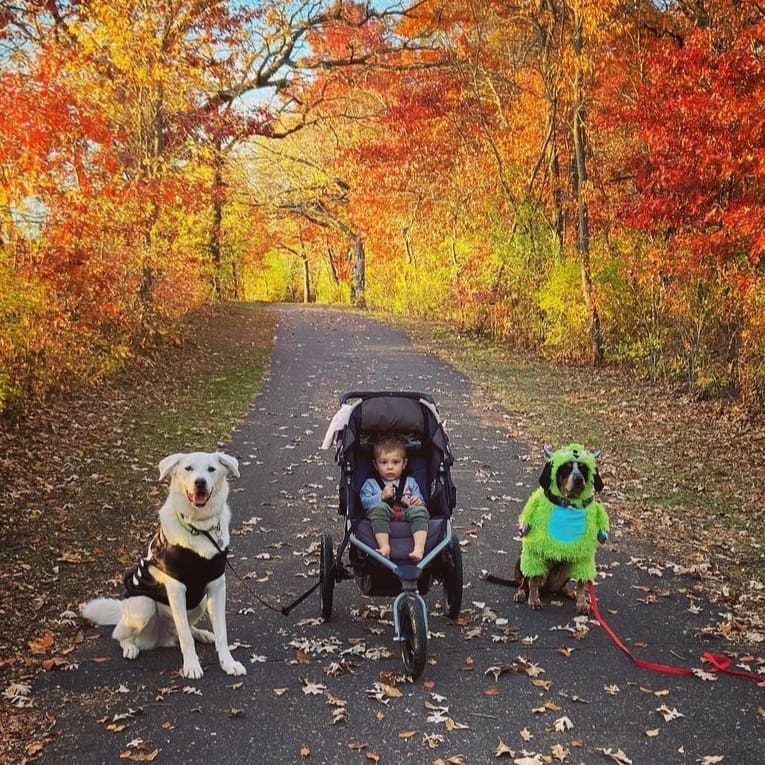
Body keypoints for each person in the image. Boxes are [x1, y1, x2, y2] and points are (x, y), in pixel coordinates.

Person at [360, 435, 429, 561]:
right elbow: (364, 503)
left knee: (420, 511)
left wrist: (416, 502)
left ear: (404, 464)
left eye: (395, 462)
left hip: (406, 514)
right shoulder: (371, 483)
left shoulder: (410, 482)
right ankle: (385, 547)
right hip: (382, 516)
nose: (390, 467)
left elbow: (420, 500)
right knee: (378, 508)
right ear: (375, 464)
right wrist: (380, 496)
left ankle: (419, 548)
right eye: (384, 462)